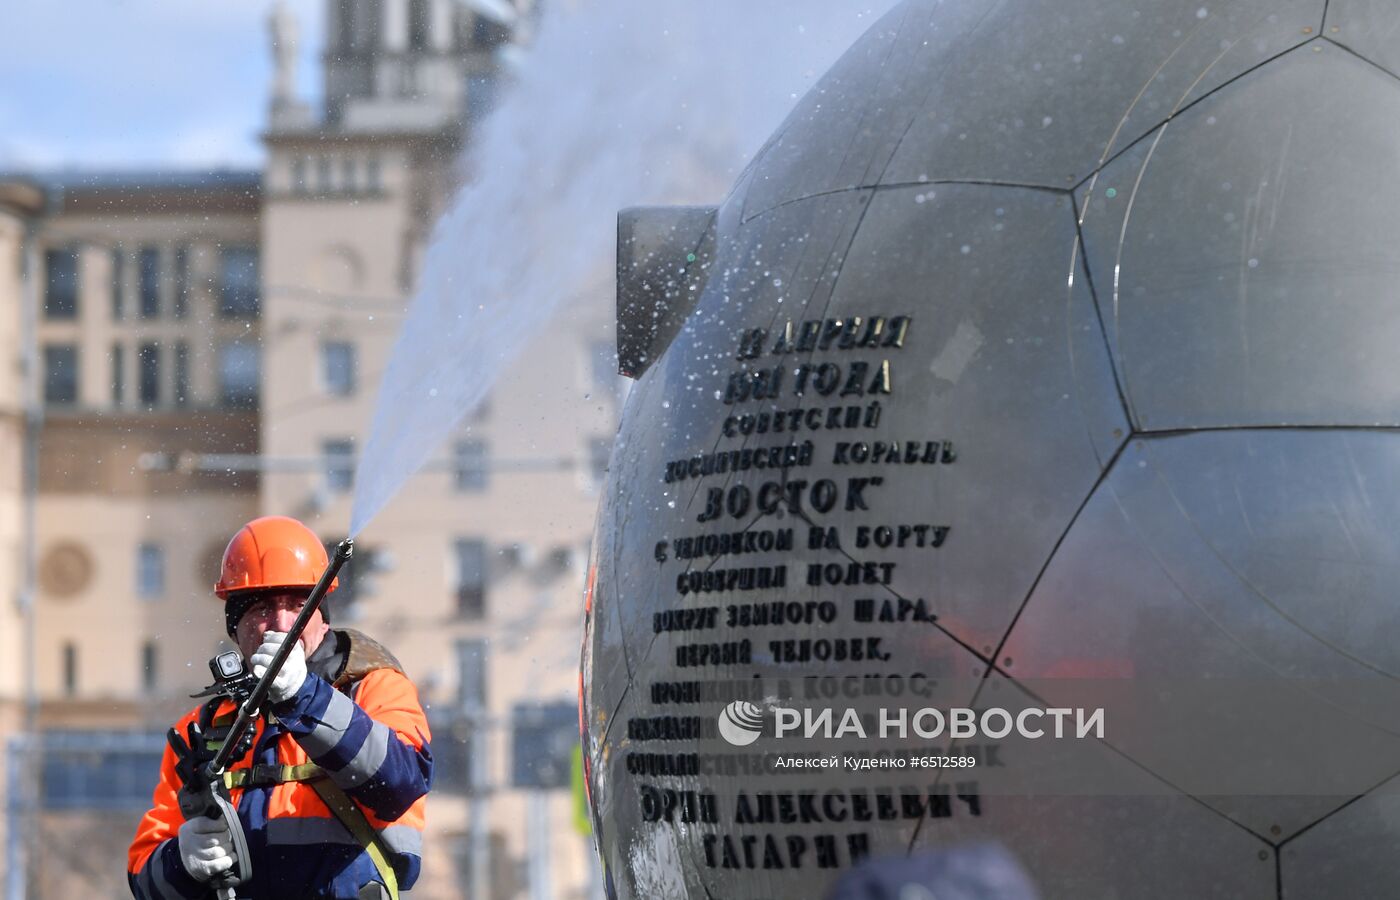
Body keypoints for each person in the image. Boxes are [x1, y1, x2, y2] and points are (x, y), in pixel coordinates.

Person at [128, 516, 432, 899]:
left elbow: (400, 783)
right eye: (260, 609)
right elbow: (144, 881)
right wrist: (181, 862)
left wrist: (305, 696)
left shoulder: (373, 688)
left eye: (296, 605)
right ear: (234, 627)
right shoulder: (203, 730)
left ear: (321, 618)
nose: (280, 624)